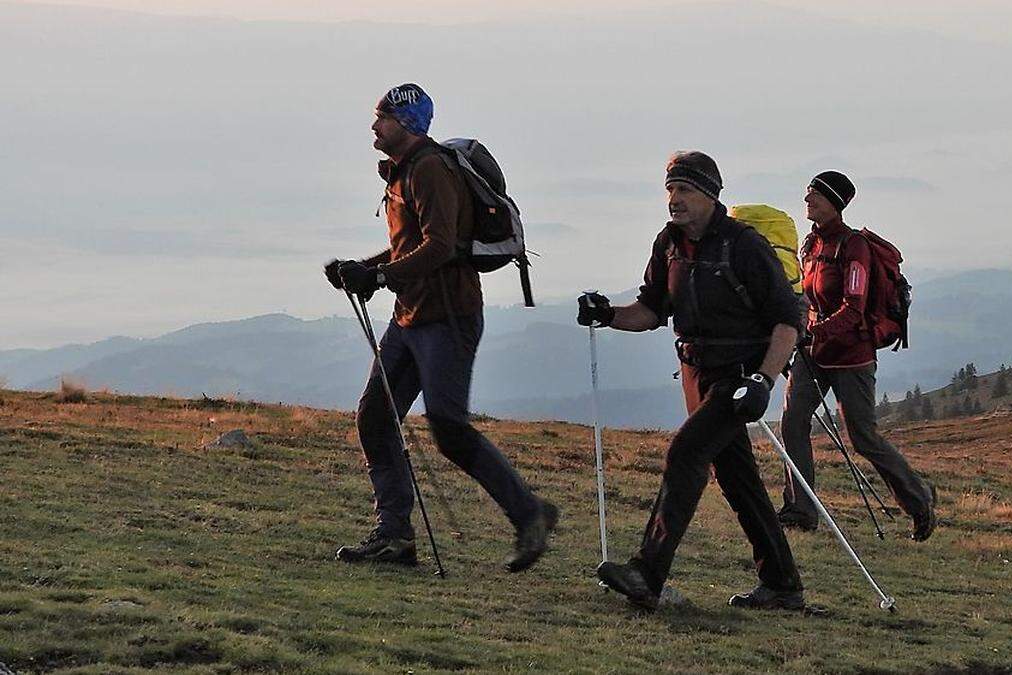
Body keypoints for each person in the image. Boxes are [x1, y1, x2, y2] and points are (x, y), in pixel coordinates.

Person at [323, 83, 557, 571]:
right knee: (375, 417)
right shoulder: (406, 171)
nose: (373, 126)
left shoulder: (428, 168)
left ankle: (529, 513)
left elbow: (440, 245)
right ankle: (394, 536)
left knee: (448, 428)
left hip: (446, 318)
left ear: (407, 124)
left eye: (382, 117)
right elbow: (414, 244)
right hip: (412, 315)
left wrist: (380, 275)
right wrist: (362, 268)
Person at [578, 151, 820, 612]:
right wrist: (607, 314)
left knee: (686, 451)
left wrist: (764, 381)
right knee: (738, 480)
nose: (675, 199)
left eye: (685, 190)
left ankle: (647, 573)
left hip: (739, 377)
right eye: (670, 189)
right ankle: (783, 586)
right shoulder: (668, 245)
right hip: (697, 372)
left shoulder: (744, 245)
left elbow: (788, 321)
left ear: (710, 195)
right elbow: (651, 309)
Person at [776, 171, 936, 541]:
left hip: (851, 356)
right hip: (814, 353)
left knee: (864, 438)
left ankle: (919, 500)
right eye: (807, 193)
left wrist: (812, 332)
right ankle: (800, 510)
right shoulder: (810, 245)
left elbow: (854, 309)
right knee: (792, 423)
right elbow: (807, 295)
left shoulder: (854, 248)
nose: (807, 200)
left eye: (814, 194)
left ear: (834, 202)